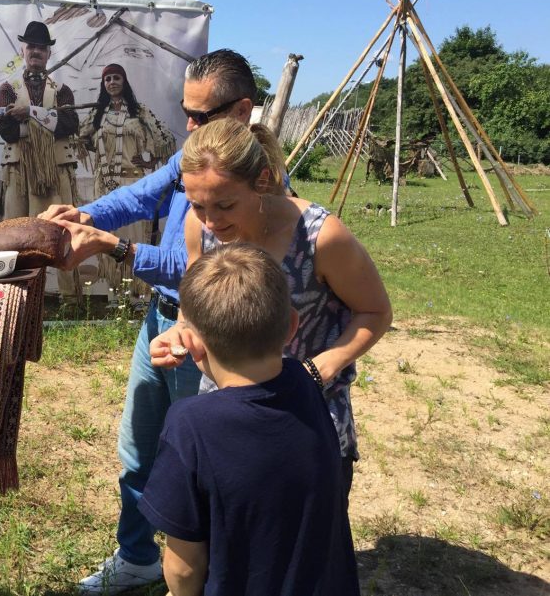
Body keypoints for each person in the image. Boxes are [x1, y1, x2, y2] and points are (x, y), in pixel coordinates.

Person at [39, 50, 257, 593]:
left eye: (201, 116)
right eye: (186, 112)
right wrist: (85, 216)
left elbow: (207, 270)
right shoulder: (191, 155)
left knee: (201, 468)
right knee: (137, 453)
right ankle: (138, 559)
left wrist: (116, 250)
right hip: (158, 326)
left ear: (243, 111)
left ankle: (209, 575)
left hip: (204, 340)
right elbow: (142, 193)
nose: (189, 125)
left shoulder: (257, 187)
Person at [151, 117, 393, 504]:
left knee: (303, 545)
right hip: (224, 413)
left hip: (305, 416)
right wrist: (180, 331)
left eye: (225, 204)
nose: (211, 221)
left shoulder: (320, 236)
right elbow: (194, 307)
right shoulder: (201, 229)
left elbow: (376, 312)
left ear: (262, 181)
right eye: (197, 206)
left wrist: (322, 368)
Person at [141, 243, 361, 596]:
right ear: (291, 325)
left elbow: (184, 566)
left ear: (191, 343)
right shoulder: (306, 384)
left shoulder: (190, 424)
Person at [0, 20, 80, 300]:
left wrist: (28, 112)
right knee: (16, 232)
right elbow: (5, 130)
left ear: (49, 53)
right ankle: (15, 295)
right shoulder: (7, 89)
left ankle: (69, 299)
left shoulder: (62, 89)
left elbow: (70, 123)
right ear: (23, 50)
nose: (36, 52)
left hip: (54, 172)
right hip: (19, 172)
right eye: (32, 46)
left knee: (61, 230)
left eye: (42, 48)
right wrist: (44, 122)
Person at [78, 63, 176, 297]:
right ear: (104, 85)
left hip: (133, 183)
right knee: (109, 239)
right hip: (105, 184)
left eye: (116, 78)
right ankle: (115, 294)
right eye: (108, 79)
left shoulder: (139, 112)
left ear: (124, 82)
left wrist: (151, 160)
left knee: (135, 240)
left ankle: (139, 294)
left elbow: (166, 138)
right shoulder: (97, 114)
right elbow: (80, 138)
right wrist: (98, 150)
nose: (112, 82)